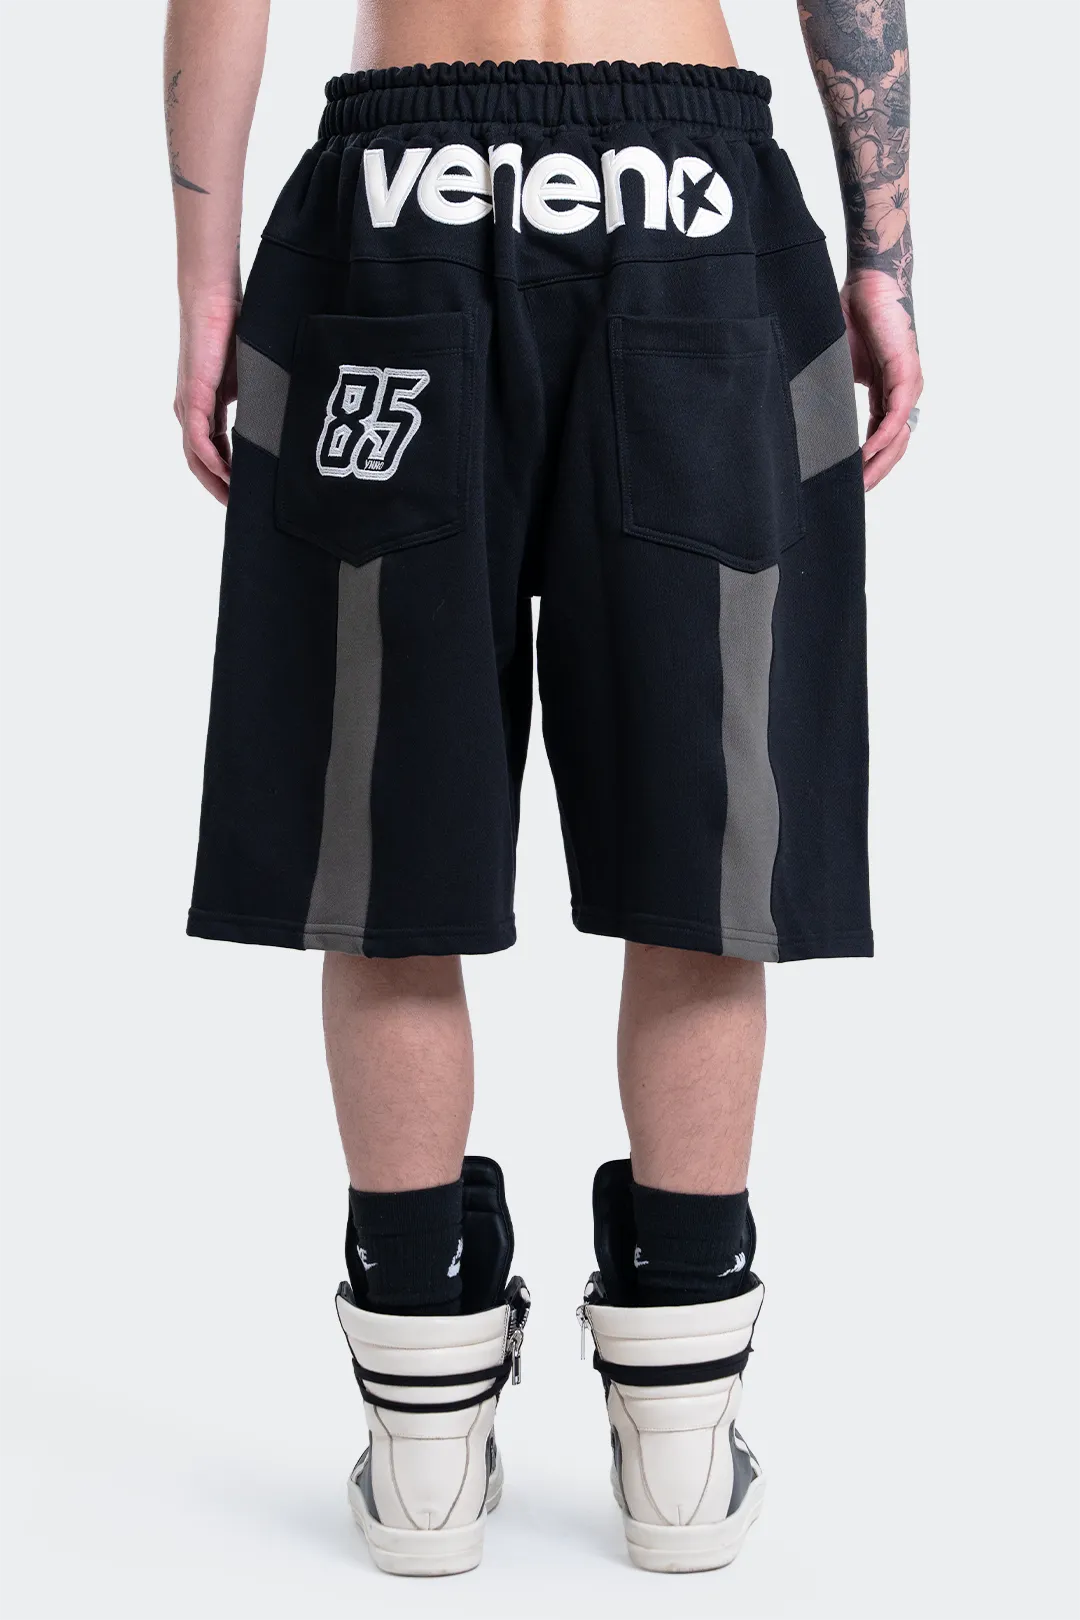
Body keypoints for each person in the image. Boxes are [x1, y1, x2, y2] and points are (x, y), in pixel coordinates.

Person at [166, 0, 921, 1578]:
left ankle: (422, 1451)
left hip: (398, 202)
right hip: (695, 203)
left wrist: (204, 290)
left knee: (386, 842)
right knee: (708, 842)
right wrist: (886, 261)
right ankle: (681, 1450)